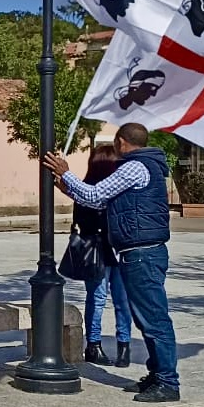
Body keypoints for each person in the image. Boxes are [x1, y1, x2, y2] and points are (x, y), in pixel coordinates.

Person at [44, 122, 180, 403]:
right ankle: (157, 375)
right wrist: (70, 189)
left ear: (120, 142)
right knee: (146, 318)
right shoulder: (148, 166)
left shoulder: (133, 167)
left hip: (141, 252)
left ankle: (168, 382)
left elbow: (95, 195)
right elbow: (101, 203)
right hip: (142, 251)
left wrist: (66, 172)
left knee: (153, 319)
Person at [72, 144, 133, 367]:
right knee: (99, 298)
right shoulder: (89, 189)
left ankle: (123, 346)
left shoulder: (116, 188)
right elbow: (83, 220)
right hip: (99, 250)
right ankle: (94, 345)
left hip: (117, 249)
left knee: (121, 299)